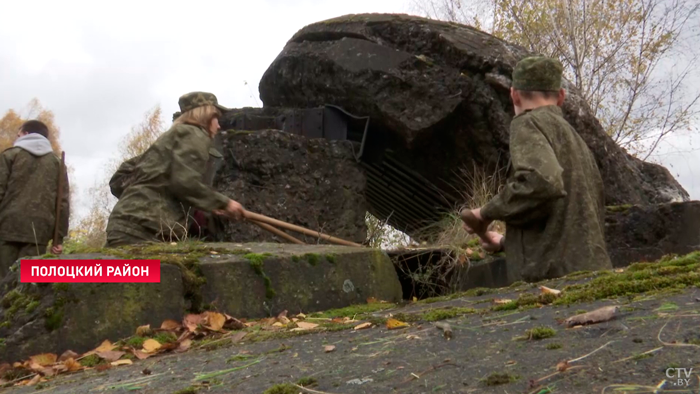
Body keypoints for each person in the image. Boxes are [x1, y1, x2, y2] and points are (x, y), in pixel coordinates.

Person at [461, 56, 612, 282]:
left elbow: (544, 182)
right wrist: (504, 242)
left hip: (554, 282)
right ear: (561, 97)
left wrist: (484, 213)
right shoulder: (577, 142)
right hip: (595, 274)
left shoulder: (527, 123)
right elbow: (564, 219)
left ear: (514, 94)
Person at [105, 92, 245, 247]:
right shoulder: (194, 134)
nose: (218, 126)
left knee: (110, 271)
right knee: (144, 272)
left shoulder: (171, 138)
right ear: (206, 115)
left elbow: (124, 174)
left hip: (128, 224)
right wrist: (225, 203)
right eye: (216, 119)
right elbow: (185, 183)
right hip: (145, 228)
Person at [0, 120, 70, 275]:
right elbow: (62, 203)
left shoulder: (10, 155)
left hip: (7, 227)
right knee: (26, 284)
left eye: (18, 135)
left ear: (26, 134)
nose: (16, 138)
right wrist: (58, 238)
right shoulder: (57, 163)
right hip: (39, 232)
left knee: (2, 282)